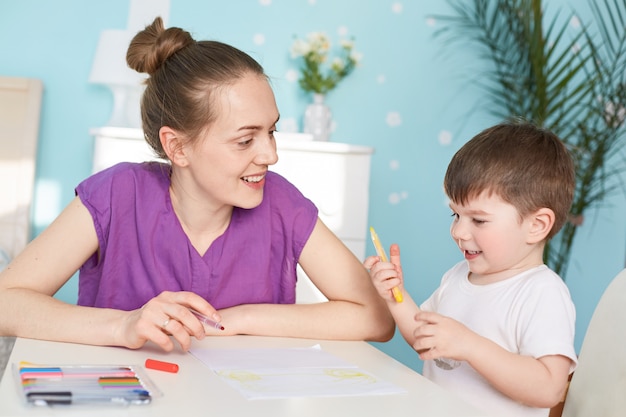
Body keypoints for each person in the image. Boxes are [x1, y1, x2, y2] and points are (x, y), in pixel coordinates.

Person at [0, 17, 394, 353]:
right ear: (177, 146)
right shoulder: (117, 194)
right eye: (245, 140)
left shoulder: (281, 203)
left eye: (271, 131)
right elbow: (6, 302)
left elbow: (376, 318)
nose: (270, 155)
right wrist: (122, 327)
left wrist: (237, 319)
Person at [365, 122, 577, 417]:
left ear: (536, 225)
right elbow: (426, 340)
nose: (458, 231)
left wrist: (470, 346)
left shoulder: (542, 292)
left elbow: (549, 388)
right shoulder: (457, 277)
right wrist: (395, 296)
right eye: (456, 214)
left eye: (478, 220)